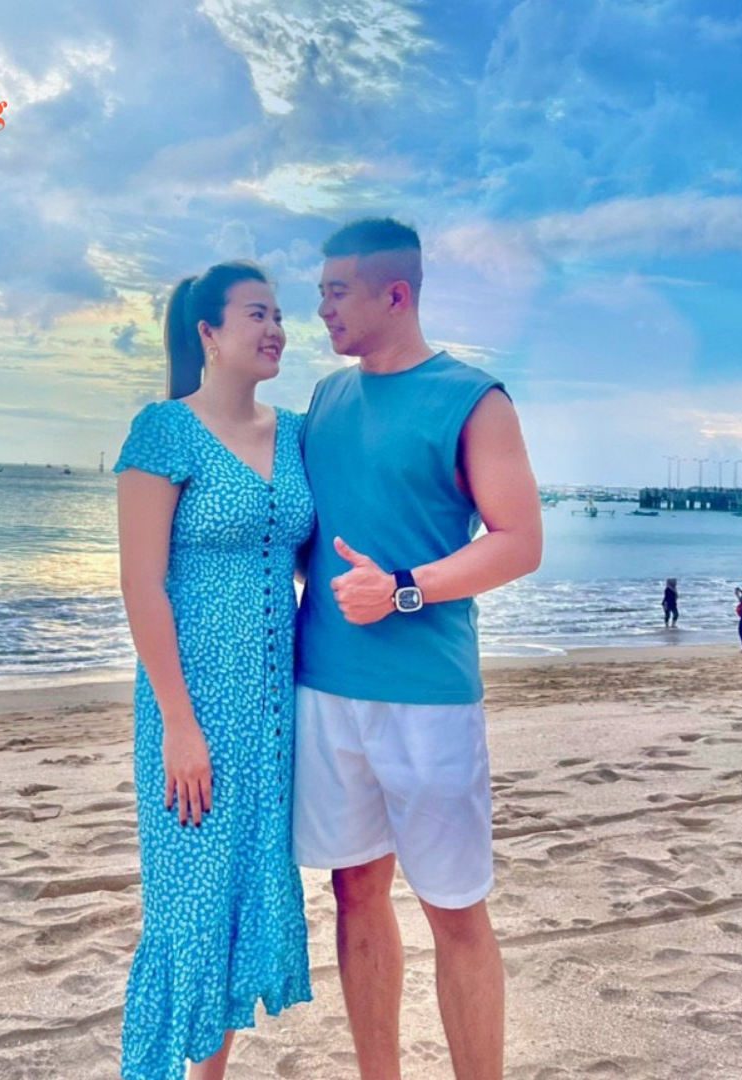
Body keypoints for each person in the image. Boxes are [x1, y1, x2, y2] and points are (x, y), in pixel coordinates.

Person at [295, 218, 543, 1080]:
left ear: (395, 295)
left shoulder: (474, 399)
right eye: (321, 291)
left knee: (454, 910)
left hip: (429, 697)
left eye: (337, 291)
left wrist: (403, 586)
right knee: (354, 892)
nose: (322, 308)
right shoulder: (324, 400)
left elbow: (519, 541)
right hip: (323, 688)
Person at [115, 261, 313, 1080]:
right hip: (192, 711)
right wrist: (179, 726)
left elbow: (311, 562)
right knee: (188, 911)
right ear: (209, 332)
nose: (277, 330)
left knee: (238, 903)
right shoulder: (164, 430)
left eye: (280, 315)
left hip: (274, 718)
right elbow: (141, 584)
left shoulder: (295, 433)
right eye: (257, 314)